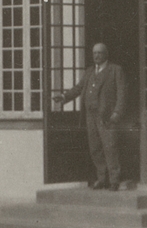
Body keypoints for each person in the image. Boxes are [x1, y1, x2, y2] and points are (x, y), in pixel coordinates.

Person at [53, 43, 126, 190]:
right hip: (90, 116)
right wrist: (64, 96)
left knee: (110, 147)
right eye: (94, 53)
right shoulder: (89, 71)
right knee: (95, 148)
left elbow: (122, 94)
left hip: (107, 117)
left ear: (106, 54)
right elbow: (79, 88)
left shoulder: (115, 70)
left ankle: (114, 180)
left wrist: (117, 112)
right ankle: (102, 178)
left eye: (99, 53)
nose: (96, 56)